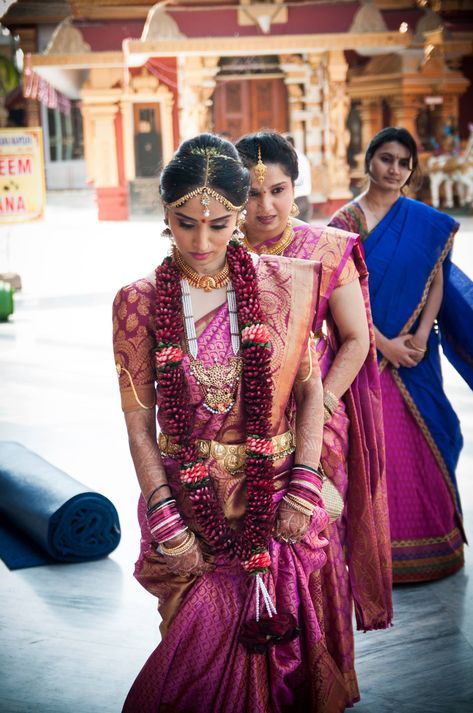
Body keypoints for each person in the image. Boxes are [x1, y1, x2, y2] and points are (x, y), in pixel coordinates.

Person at [113, 133, 355, 712]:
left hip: (274, 498)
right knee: (194, 658)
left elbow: (310, 385)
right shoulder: (138, 300)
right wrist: (164, 512)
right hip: (188, 503)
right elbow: (139, 423)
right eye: (184, 222)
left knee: (280, 656)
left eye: (219, 224)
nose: (201, 241)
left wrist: (303, 482)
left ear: (239, 214)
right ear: (165, 214)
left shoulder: (284, 282)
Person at [235, 131, 392, 707]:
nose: (266, 206)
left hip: (316, 423)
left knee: (311, 549)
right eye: (251, 194)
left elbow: (353, 341)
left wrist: (318, 405)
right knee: (246, 550)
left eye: (277, 190)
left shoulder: (326, 249)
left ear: (294, 188)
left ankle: (319, 680)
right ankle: (253, 683)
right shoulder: (215, 253)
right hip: (238, 430)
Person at [329, 126, 472, 583]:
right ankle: (376, 555)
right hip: (366, 355)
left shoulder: (425, 222)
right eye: (387, 158)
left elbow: (437, 280)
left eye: (404, 163)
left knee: (437, 432)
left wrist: (423, 336)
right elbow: (337, 300)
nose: (395, 169)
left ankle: (438, 544)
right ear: (369, 159)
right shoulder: (344, 225)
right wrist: (385, 344)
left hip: (416, 353)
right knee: (378, 449)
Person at [285, 134, 313, 221]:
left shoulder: (290, 158)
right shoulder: (303, 157)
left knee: (293, 231)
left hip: (296, 200)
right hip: (305, 199)